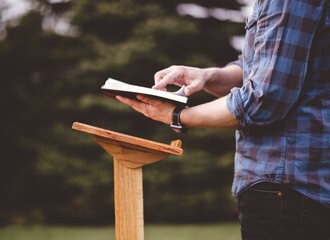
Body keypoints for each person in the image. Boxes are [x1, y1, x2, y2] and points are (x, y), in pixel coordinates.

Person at [116, 0, 330, 239]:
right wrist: (207, 76)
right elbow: (261, 68)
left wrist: (177, 115)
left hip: (287, 186)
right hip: (293, 186)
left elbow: (265, 100)